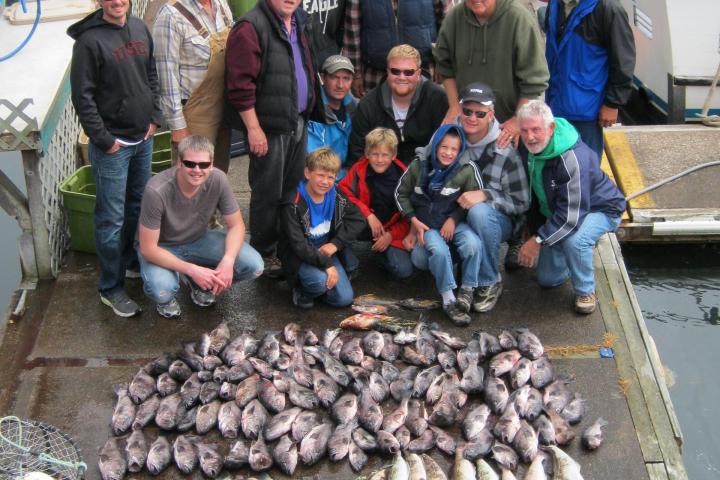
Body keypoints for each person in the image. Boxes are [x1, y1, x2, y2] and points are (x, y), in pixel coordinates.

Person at [68, 0, 162, 317]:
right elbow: (83, 96)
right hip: (115, 146)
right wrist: (104, 140)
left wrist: (154, 118)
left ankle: (132, 262)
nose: (117, 2)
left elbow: (151, 74)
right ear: (99, 2)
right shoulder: (88, 42)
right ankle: (111, 286)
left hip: (143, 137)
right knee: (110, 218)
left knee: (138, 205)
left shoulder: (139, 28)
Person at [225, 0, 316, 278]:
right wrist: (253, 128)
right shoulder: (250, 27)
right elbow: (240, 85)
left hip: (296, 120)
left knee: (291, 188)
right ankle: (263, 251)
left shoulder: (297, 21)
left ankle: (286, 245)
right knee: (267, 192)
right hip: (268, 127)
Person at [516, 100, 626, 314]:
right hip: (563, 210)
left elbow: (570, 217)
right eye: (525, 131)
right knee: (547, 280)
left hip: (599, 209)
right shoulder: (530, 149)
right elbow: (535, 193)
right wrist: (531, 227)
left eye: (536, 130)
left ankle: (586, 290)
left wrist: (537, 240)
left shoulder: (572, 159)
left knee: (575, 240)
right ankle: (574, 252)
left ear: (551, 128)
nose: (530, 137)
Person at [137, 136, 264, 318]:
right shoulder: (156, 190)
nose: (197, 170)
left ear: (211, 164)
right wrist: (191, 269)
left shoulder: (219, 179)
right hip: (162, 247)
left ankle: (200, 283)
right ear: (179, 162)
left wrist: (228, 260)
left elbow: (236, 226)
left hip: (198, 239)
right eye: (190, 163)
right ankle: (168, 299)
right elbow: (148, 249)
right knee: (162, 289)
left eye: (203, 165)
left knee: (254, 265)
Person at [453, 83, 530, 313]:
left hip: (496, 221)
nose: (472, 118)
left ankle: (489, 280)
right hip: (455, 217)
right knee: (419, 259)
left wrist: (485, 195)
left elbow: (521, 202)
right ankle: (463, 274)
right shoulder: (448, 139)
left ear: (491, 115)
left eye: (480, 113)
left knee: (479, 212)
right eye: (467, 111)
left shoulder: (505, 148)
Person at [395, 124, 483, 326]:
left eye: (454, 149)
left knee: (472, 244)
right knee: (439, 251)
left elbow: (472, 200)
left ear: (460, 150)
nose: (448, 153)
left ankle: (467, 290)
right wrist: (413, 220)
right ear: (435, 146)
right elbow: (400, 193)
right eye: (444, 147)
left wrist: (454, 219)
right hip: (427, 225)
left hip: (455, 222)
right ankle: (448, 299)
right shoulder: (419, 165)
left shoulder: (467, 168)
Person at [433, 0, 549, 148]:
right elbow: (444, 64)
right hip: (467, 125)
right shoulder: (454, 18)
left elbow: (535, 81)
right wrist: (454, 106)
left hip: (506, 129)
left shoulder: (519, 19)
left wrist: (517, 120)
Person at [543, 0, 635, 158]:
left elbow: (623, 61)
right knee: (558, 172)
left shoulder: (609, 9)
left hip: (587, 114)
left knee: (585, 172)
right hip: (556, 107)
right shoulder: (555, 4)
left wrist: (612, 103)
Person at [278, 147, 366, 309]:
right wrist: (327, 265)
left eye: (330, 177)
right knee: (318, 283)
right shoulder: (293, 202)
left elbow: (359, 219)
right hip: (299, 254)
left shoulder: (336, 194)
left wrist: (336, 244)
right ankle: (301, 289)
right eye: (320, 175)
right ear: (307, 173)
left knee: (344, 300)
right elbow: (298, 245)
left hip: (325, 250)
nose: (325, 182)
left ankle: (318, 286)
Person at [153, 0, 235, 172]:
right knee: (193, 181)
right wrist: (178, 128)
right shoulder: (170, 15)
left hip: (224, 110)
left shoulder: (221, 5)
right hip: (196, 117)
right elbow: (166, 77)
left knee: (217, 175)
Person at [348, 44, 448, 167]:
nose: (401, 77)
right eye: (395, 71)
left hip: (426, 174)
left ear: (418, 73)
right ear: (387, 72)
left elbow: (447, 147)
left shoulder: (438, 99)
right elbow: (358, 152)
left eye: (408, 72)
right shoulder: (368, 105)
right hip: (381, 177)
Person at [338, 128, 413, 280]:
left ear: (393, 155)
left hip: (389, 229)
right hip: (363, 223)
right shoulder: (359, 169)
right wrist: (368, 214)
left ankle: (380, 252)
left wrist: (391, 236)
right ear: (367, 154)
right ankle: (351, 264)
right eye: (375, 154)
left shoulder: (404, 177)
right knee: (334, 215)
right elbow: (342, 192)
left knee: (404, 271)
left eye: (385, 155)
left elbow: (409, 217)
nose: (379, 160)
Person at [342, 0, 445, 97]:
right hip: (375, 75)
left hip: (423, 71)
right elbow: (352, 32)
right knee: (376, 114)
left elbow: (447, 24)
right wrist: (355, 74)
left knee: (426, 114)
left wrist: (442, 62)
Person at [307, 54, 357, 181]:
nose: (340, 85)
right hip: (321, 181)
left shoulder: (356, 109)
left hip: (346, 176)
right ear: (323, 77)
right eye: (335, 77)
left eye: (346, 78)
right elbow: (315, 164)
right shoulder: (313, 111)